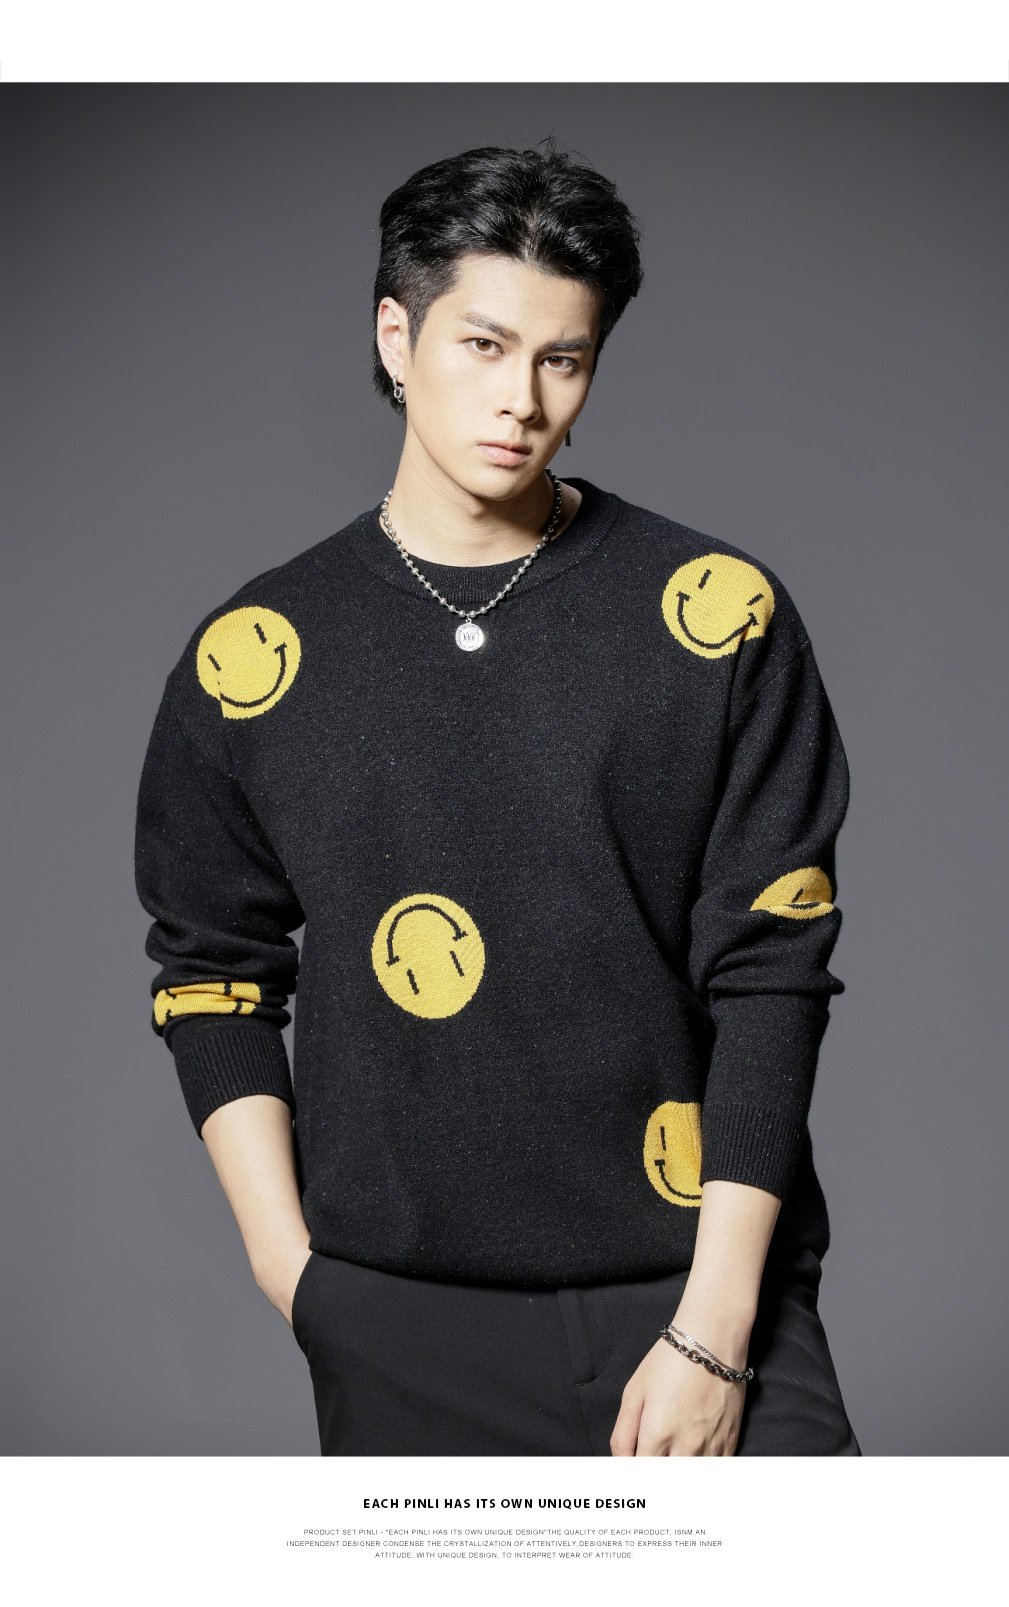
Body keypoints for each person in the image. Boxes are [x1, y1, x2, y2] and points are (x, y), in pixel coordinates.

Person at [134, 138, 862, 1457]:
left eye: (561, 359)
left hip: (697, 1285)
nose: (521, 399)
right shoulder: (255, 655)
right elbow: (211, 970)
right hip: (398, 1313)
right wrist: (294, 1276)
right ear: (395, 336)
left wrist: (715, 1326)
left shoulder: (714, 615)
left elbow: (772, 968)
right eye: (482, 345)